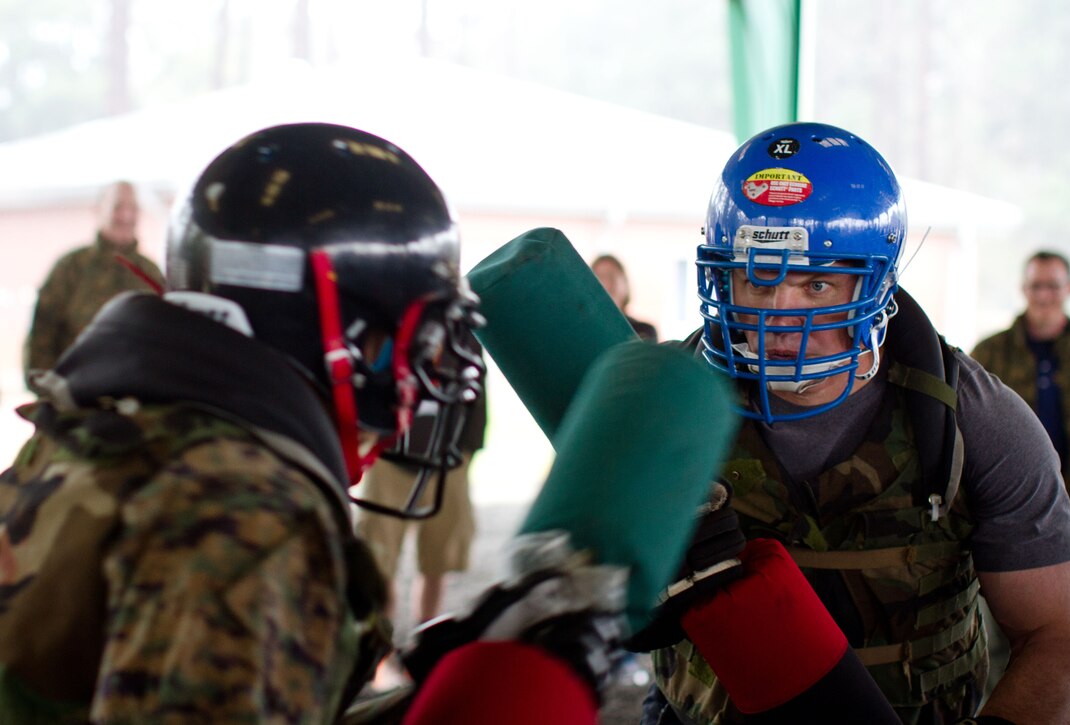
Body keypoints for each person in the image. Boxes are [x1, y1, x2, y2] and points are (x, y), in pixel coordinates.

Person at [0, 122, 630, 725]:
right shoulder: (246, 516)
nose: (430, 365)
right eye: (410, 330)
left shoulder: (110, 431)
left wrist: (434, 699)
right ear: (327, 322)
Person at [641, 122, 1070, 725]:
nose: (777, 318)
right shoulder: (659, 405)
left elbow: (1058, 639)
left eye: (817, 283)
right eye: (755, 277)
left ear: (876, 284)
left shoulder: (975, 422)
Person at [357, 335, 486, 631]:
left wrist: (466, 452)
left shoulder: (461, 330)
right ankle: (383, 652)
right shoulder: (391, 320)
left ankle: (424, 633)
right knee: (379, 561)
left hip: (446, 456)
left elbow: (477, 391)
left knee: (438, 559)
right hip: (390, 456)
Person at [971, 251, 1070, 554]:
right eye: (1036, 286)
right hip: (1009, 507)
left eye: (1053, 285)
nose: (1044, 295)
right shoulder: (989, 354)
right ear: (1024, 289)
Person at [23, 180, 165, 386]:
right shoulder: (71, 267)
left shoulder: (150, 273)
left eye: (133, 208)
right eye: (117, 207)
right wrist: (50, 396)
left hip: (135, 402)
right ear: (99, 210)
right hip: (75, 401)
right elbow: (41, 337)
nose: (126, 216)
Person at [591, 253, 659, 342]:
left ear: (625, 284)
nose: (607, 283)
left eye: (612, 276)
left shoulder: (644, 331)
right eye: (600, 276)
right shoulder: (585, 329)